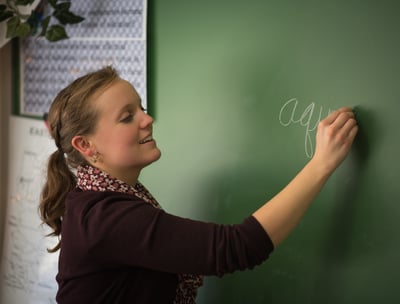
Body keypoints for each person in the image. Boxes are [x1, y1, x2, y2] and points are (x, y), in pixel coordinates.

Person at [39, 66, 358, 304]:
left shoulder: (97, 200)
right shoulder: (106, 217)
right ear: (86, 146)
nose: (147, 119)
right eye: (127, 116)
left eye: (142, 108)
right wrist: (321, 165)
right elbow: (237, 247)